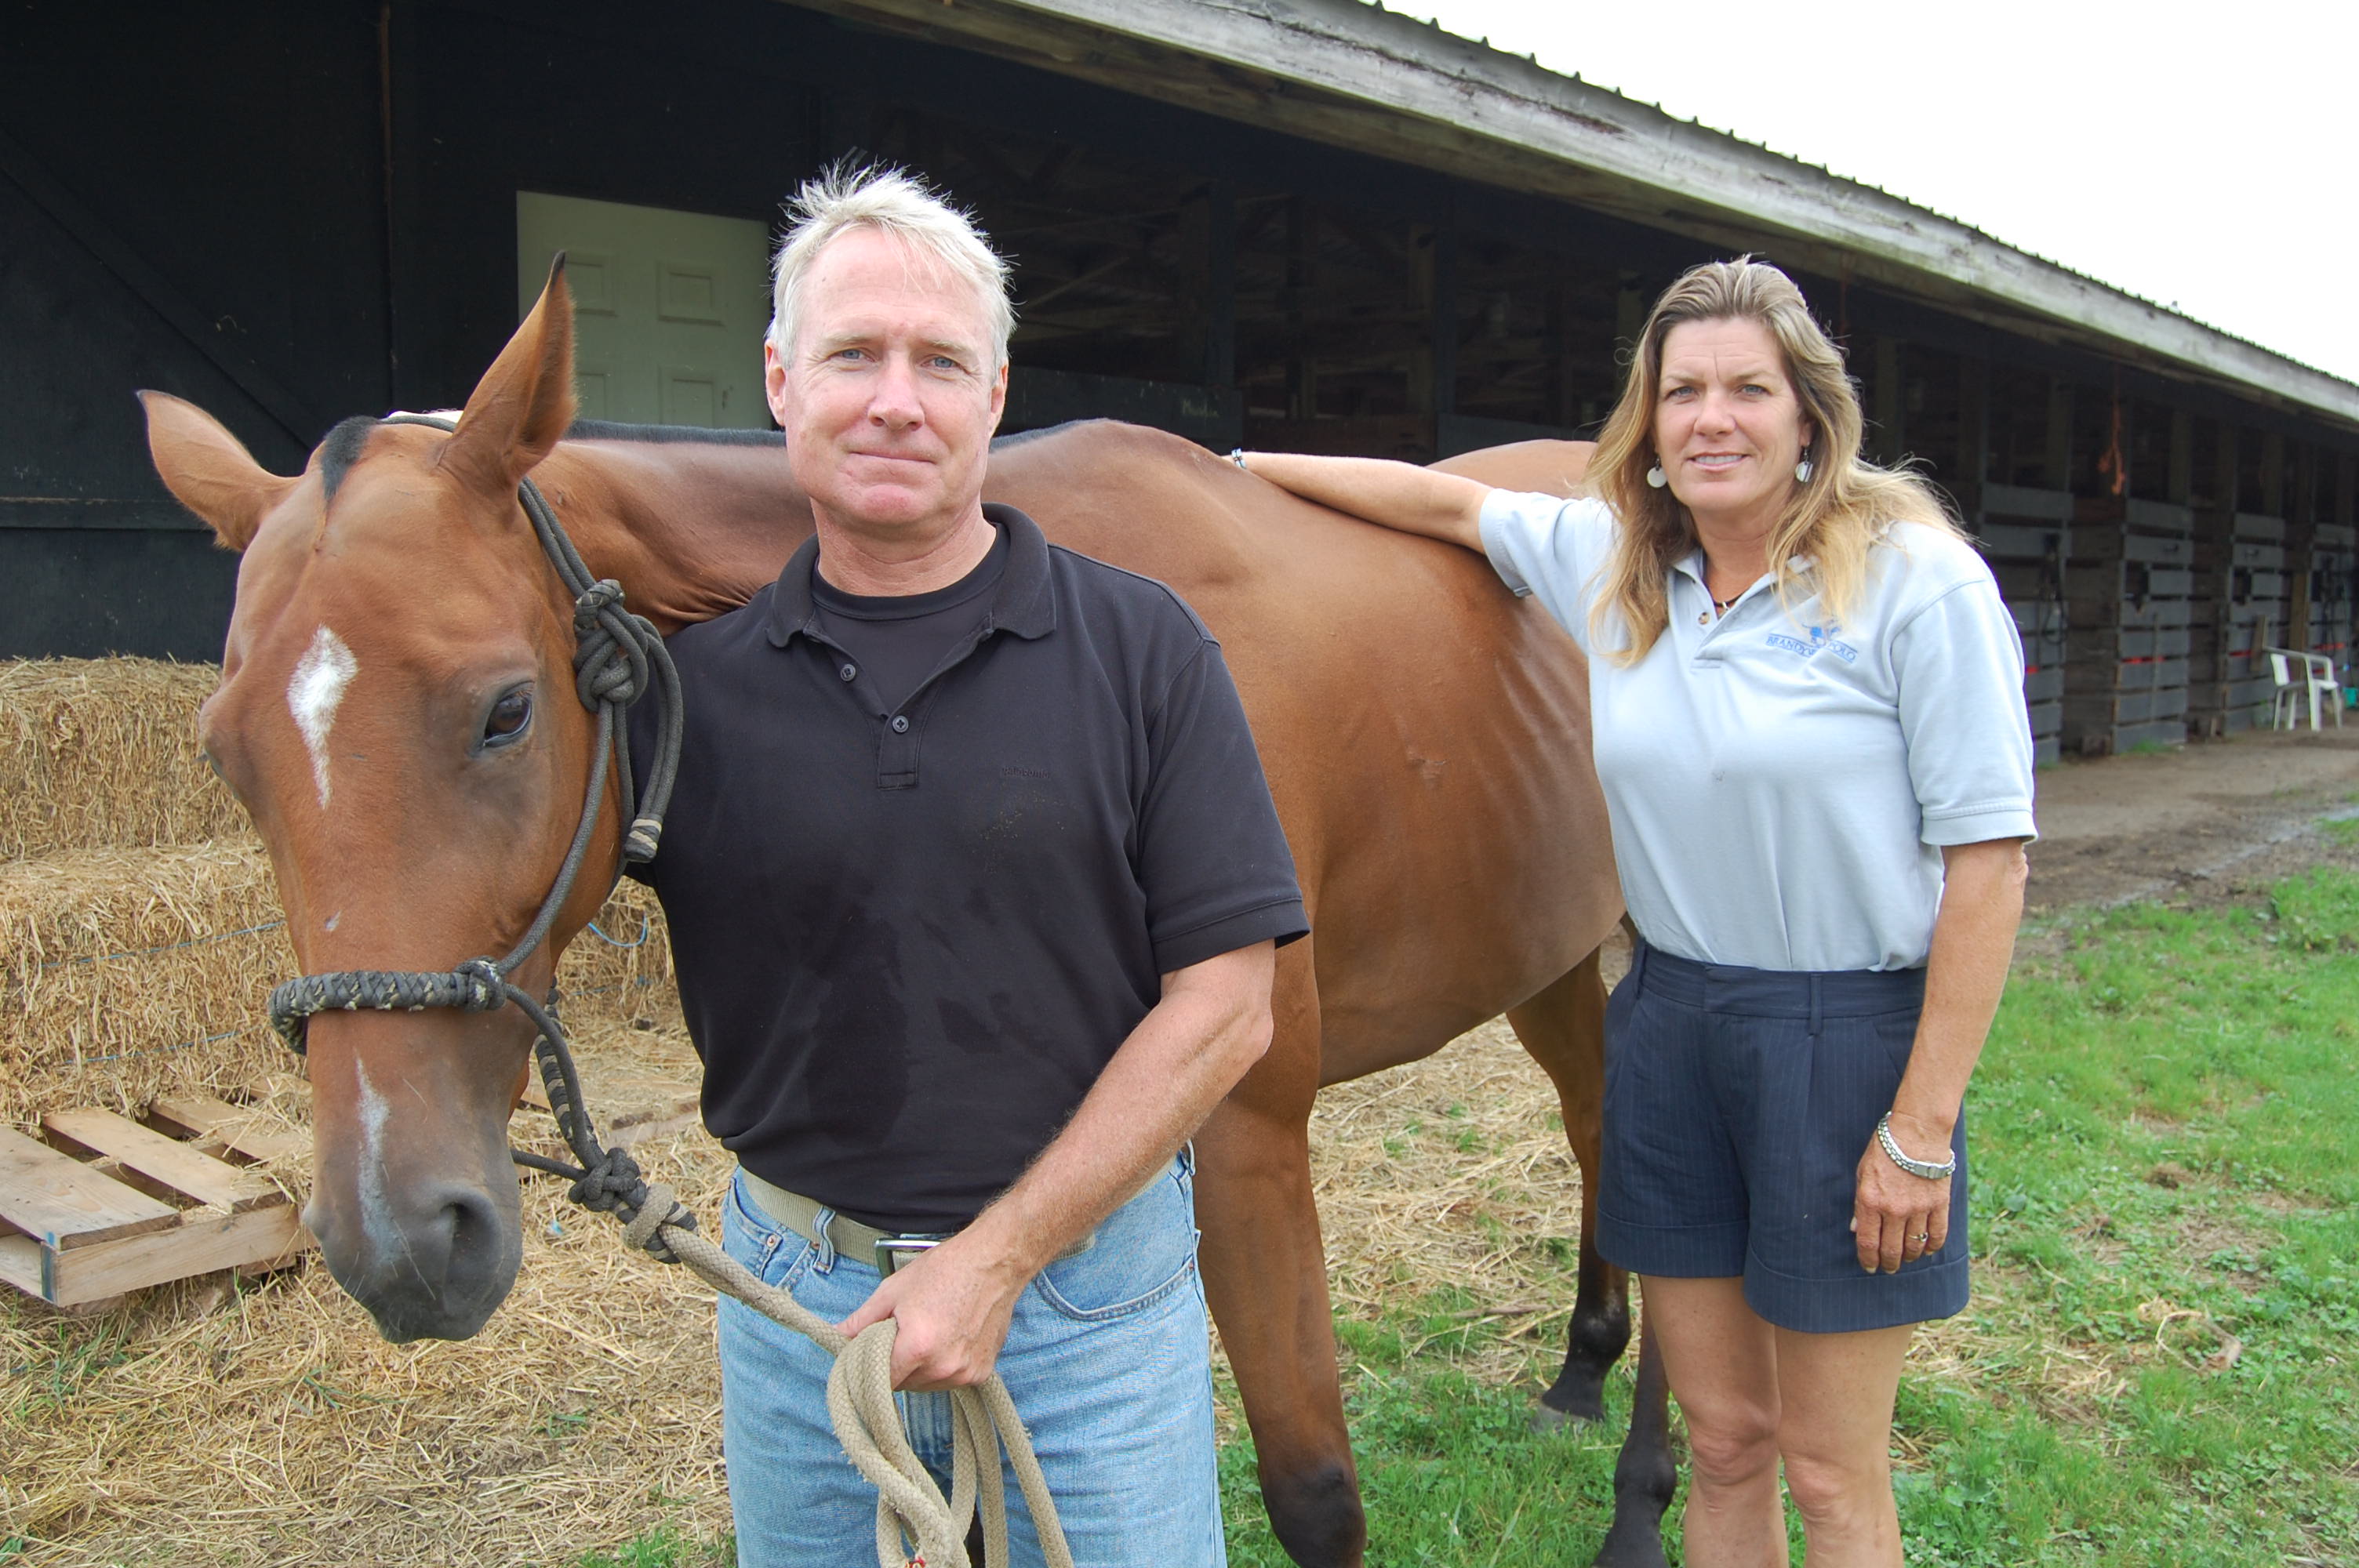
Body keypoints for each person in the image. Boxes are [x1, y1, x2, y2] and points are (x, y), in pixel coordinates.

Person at [1237, 258, 2033, 1567]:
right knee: (1721, 1441)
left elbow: (1991, 866)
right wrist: (1227, 468)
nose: (1713, 419)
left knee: (1832, 1473)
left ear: (1809, 418)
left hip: (1843, 1038)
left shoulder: (1915, 586)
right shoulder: (1614, 568)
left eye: (1748, 390)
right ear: (1649, 425)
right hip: (1669, 1023)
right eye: (1683, 394)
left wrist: (1923, 1129)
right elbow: (1443, 503)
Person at [631, 165, 1307, 1566]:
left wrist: (994, 1261)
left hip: (1086, 1305)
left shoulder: (1145, 652)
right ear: (778, 380)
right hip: (800, 1309)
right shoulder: (687, 694)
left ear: (995, 395)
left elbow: (1230, 1004)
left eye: (941, 362)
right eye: (853, 356)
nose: (897, 398)